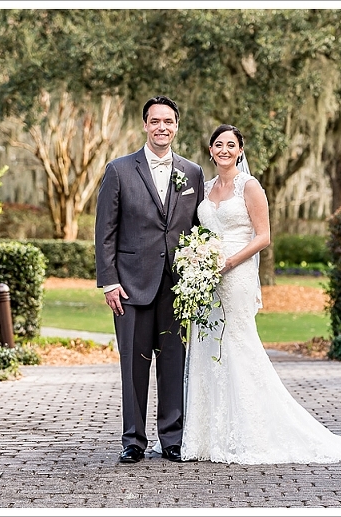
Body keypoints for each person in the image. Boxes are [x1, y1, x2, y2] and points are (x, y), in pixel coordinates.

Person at [177, 124, 341, 464]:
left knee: (237, 345)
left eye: (231, 145)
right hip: (206, 279)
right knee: (207, 346)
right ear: (210, 150)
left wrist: (230, 261)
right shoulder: (205, 189)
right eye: (218, 144)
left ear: (240, 151)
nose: (224, 150)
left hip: (236, 274)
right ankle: (207, 436)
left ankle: (249, 432)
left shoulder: (250, 186)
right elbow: (199, 232)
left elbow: (263, 236)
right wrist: (199, 260)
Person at [95, 95, 205, 464]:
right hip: (130, 285)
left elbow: (198, 229)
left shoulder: (192, 173)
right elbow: (105, 231)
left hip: (178, 287)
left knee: (174, 363)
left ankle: (172, 438)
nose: (162, 127)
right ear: (145, 125)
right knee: (133, 366)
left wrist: (197, 273)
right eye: (155, 121)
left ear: (176, 126)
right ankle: (133, 440)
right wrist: (109, 281)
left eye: (168, 121)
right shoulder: (119, 170)